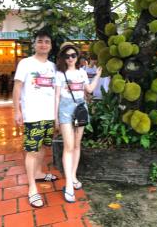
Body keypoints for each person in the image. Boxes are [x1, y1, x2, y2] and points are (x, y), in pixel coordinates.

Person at [13, 30, 56, 209]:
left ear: (51, 45)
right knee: (32, 150)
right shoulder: (25, 63)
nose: (43, 44)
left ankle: (38, 173)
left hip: (49, 115)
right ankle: (32, 188)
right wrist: (17, 110)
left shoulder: (53, 66)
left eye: (47, 41)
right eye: (40, 41)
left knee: (43, 147)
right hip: (32, 115)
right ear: (34, 44)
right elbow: (17, 87)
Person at [54, 42, 102, 203]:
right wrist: (56, 118)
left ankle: (73, 176)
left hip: (80, 107)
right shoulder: (60, 74)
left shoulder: (81, 73)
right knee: (68, 146)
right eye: (67, 56)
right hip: (65, 109)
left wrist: (97, 75)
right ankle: (68, 184)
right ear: (63, 57)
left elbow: (88, 90)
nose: (70, 58)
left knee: (76, 145)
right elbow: (57, 97)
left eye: (73, 55)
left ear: (77, 56)